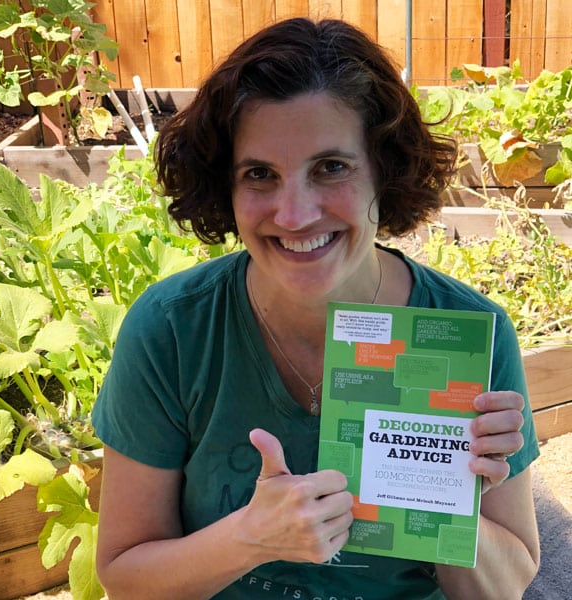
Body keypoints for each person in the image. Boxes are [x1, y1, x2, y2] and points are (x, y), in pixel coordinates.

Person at [92, 17, 540, 600]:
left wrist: (448, 496)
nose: (295, 214)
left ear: (384, 168)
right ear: (224, 187)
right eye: (260, 174)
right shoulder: (174, 328)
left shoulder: (463, 335)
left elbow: (503, 589)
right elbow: (126, 578)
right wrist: (250, 539)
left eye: (331, 167)